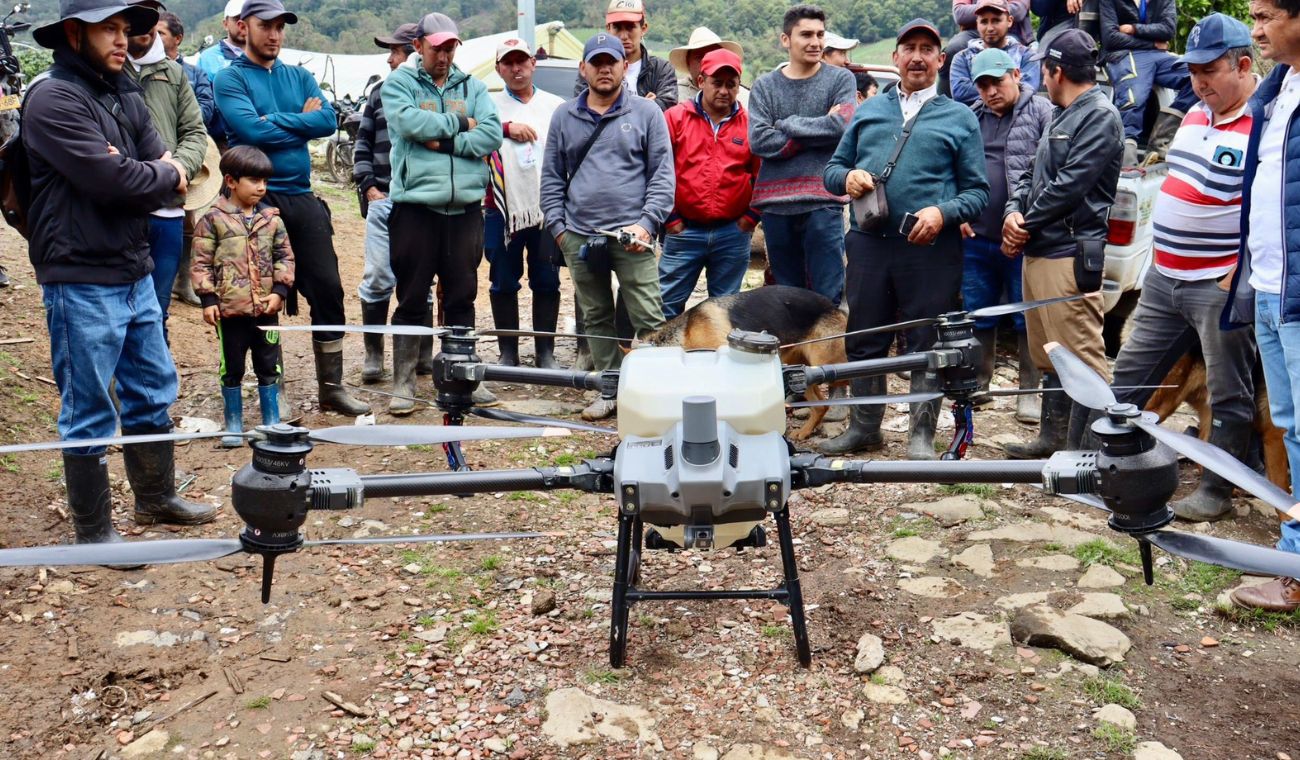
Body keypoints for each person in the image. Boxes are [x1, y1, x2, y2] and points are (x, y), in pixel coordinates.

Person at [26, 0, 217, 547]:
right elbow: (118, 182)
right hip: (80, 274)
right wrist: (145, 171)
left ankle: (155, 498)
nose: (122, 38)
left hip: (134, 266)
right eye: (107, 28)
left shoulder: (122, 90)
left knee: (152, 390)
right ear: (72, 32)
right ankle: (93, 532)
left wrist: (146, 168)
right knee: (88, 405)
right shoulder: (53, 98)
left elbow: (162, 165)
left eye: (125, 28)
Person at [1108, 15, 1258, 522]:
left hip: (1216, 284)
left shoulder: (1261, 123)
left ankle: (1218, 490)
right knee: (1129, 376)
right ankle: (1114, 467)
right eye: (1192, 70)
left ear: (1242, 65)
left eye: (1210, 70)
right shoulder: (1196, 113)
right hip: (1163, 278)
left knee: (1227, 391)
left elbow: (1270, 211)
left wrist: (1240, 272)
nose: (1198, 81)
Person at [822, 18, 989, 460]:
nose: (917, 56)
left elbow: (978, 192)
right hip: (868, 242)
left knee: (927, 340)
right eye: (908, 48)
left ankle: (920, 436)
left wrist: (942, 212)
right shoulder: (870, 110)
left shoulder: (960, 117)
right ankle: (864, 428)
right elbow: (831, 171)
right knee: (865, 335)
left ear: (941, 59)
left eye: (926, 49)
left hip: (930, 248)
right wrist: (850, 176)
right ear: (895, 58)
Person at [214, 0, 370, 416]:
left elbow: (327, 122)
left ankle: (331, 387)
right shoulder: (229, 79)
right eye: (265, 25)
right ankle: (273, 389)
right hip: (255, 202)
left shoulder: (299, 75)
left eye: (280, 26)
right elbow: (247, 130)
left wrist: (271, 121)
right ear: (245, 26)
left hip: (302, 196)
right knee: (262, 294)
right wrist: (296, 120)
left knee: (328, 287)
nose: (274, 34)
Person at [540, 33, 674, 420]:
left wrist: (648, 224)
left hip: (634, 235)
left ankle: (657, 391)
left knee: (649, 316)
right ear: (583, 68)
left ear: (623, 67)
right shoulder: (564, 116)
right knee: (595, 314)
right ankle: (609, 388)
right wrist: (561, 231)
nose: (603, 68)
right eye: (595, 62)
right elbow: (551, 178)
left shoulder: (647, 114)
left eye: (611, 62)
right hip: (580, 234)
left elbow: (662, 176)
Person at [1002, 29, 1123, 458]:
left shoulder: (1099, 116)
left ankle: (1092, 458)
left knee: (1084, 362)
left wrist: (1025, 223)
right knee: (1050, 356)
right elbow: (1030, 176)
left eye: (1043, 71)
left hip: (1068, 253)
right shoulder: (1060, 114)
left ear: (1055, 71)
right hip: (1038, 249)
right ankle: (1053, 442)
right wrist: (1012, 213)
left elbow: (1071, 185)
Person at [381, 12, 502, 415]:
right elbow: (410, 123)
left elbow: (491, 133)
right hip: (416, 207)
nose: (446, 56)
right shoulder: (399, 83)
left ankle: (463, 374)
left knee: (463, 294)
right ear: (419, 46)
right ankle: (404, 382)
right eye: (439, 48)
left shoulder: (474, 85)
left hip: (465, 208)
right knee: (412, 294)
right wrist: (461, 122)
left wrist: (446, 141)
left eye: (452, 47)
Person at [1221, 0, 1300, 613]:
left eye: (1268, 14)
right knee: (1292, 427)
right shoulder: (1277, 92)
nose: (1257, 29)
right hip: (1271, 287)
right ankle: (1294, 556)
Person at [962, 47, 1051, 423]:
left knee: (1026, 316)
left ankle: (1028, 393)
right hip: (976, 235)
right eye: (983, 85)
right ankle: (979, 382)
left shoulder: (1044, 112)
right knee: (978, 312)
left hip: (1023, 236)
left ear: (1016, 74)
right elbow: (953, 165)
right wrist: (958, 212)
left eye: (997, 82)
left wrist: (1029, 221)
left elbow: (1050, 171)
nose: (991, 91)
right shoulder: (969, 117)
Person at [748, 4, 856, 305]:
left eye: (820, 34)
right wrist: (816, 129)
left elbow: (841, 126)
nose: (816, 42)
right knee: (786, 301)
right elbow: (759, 141)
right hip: (775, 206)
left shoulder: (841, 80)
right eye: (806, 34)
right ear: (786, 40)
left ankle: (828, 354)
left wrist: (788, 124)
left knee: (827, 298)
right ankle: (792, 354)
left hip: (823, 200)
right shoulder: (764, 87)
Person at [191, 146, 293, 446]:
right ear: (231, 181)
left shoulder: (272, 220)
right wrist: (208, 299)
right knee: (231, 365)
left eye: (265, 181)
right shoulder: (212, 219)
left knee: (268, 364)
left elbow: (284, 256)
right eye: (253, 180)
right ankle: (233, 423)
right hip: (229, 311)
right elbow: (200, 261)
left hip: (266, 310)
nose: (261, 187)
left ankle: (271, 420)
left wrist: (280, 290)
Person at [660, 48, 760, 320]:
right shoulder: (675, 118)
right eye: (717, 83)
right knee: (666, 305)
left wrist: (750, 219)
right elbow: (659, 171)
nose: (724, 91)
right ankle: (664, 359)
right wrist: (671, 220)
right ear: (701, 81)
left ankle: (717, 360)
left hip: (732, 232)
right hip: (684, 230)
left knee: (724, 310)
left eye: (731, 84)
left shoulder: (750, 124)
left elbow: (761, 175)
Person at [125, 16, 207, 337]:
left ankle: (151, 381)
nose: (144, 26)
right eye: (136, 16)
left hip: (168, 208)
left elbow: (195, 132)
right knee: (118, 308)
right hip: (122, 209)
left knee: (157, 310)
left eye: (151, 18)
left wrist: (179, 168)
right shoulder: (104, 71)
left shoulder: (173, 73)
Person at [488, 38, 567, 368]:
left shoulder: (555, 106)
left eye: (522, 61)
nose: (516, 68)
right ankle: (508, 352)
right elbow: (474, 132)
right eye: (509, 63)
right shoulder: (488, 105)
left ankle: (545, 352)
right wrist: (507, 127)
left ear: (533, 64)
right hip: (502, 208)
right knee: (503, 279)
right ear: (499, 69)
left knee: (546, 279)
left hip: (546, 209)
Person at [354, 21, 419, 384]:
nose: (390, 58)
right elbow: (363, 142)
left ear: (412, 53)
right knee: (378, 275)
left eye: (395, 51)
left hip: (419, 202)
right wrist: (368, 186)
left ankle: (418, 357)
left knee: (418, 280)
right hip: (383, 198)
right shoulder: (378, 93)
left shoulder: (430, 93)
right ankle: (373, 354)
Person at [1099, 0, 1197, 150]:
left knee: (1197, 76)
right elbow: (1111, 38)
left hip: (1157, 55)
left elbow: (1168, 30)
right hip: (1124, 54)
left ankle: (1162, 138)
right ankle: (1126, 155)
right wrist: (1152, 44)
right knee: (1134, 97)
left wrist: (1133, 29)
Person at [573, 0, 676, 111]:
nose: (623, 36)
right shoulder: (591, 67)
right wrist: (645, 106)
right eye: (617, 28)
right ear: (608, 28)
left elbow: (668, 106)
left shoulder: (661, 69)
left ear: (644, 28)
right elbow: (582, 106)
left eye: (630, 27)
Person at [949, 0, 1040, 106]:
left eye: (996, 21)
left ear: (1009, 21)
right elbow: (960, 93)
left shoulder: (1027, 55)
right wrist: (1006, 89)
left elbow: (1028, 89)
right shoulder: (962, 58)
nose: (990, 28)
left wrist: (982, 88)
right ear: (977, 23)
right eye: (984, 22)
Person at [155, 11, 214, 129]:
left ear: (178, 38)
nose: (154, 37)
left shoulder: (196, 74)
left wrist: (175, 121)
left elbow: (206, 111)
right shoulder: (145, 71)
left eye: (160, 33)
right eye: (153, 33)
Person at [196, 0, 243, 147]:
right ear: (225, 23)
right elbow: (202, 99)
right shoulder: (208, 58)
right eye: (236, 19)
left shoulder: (262, 57)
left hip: (256, 138)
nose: (242, 24)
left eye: (248, 19)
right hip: (221, 141)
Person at [668, 26, 742, 104]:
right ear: (688, 62)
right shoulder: (672, 94)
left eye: (713, 56)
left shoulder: (740, 97)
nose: (706, 61)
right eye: (700, 57)